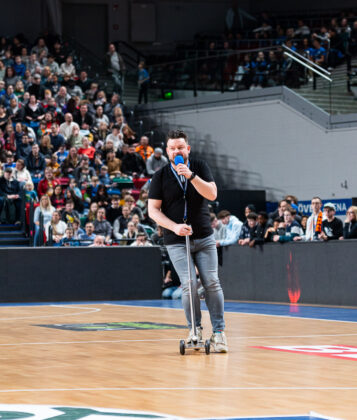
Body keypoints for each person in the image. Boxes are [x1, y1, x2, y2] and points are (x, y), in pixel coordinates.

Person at [148, 129, 227, 353]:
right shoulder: (160, 176)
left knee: (211, 282)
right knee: (189, 284)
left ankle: (219, 332)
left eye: (180, 147)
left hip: (203, 236)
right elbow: (153, 211)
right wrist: (173, 226)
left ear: (188, 149)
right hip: (176, 239)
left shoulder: (200, 167)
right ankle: (195, 329)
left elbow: (212, 194)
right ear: (167, 151)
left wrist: (190, 176)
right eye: (172, 148)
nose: (176, 151)